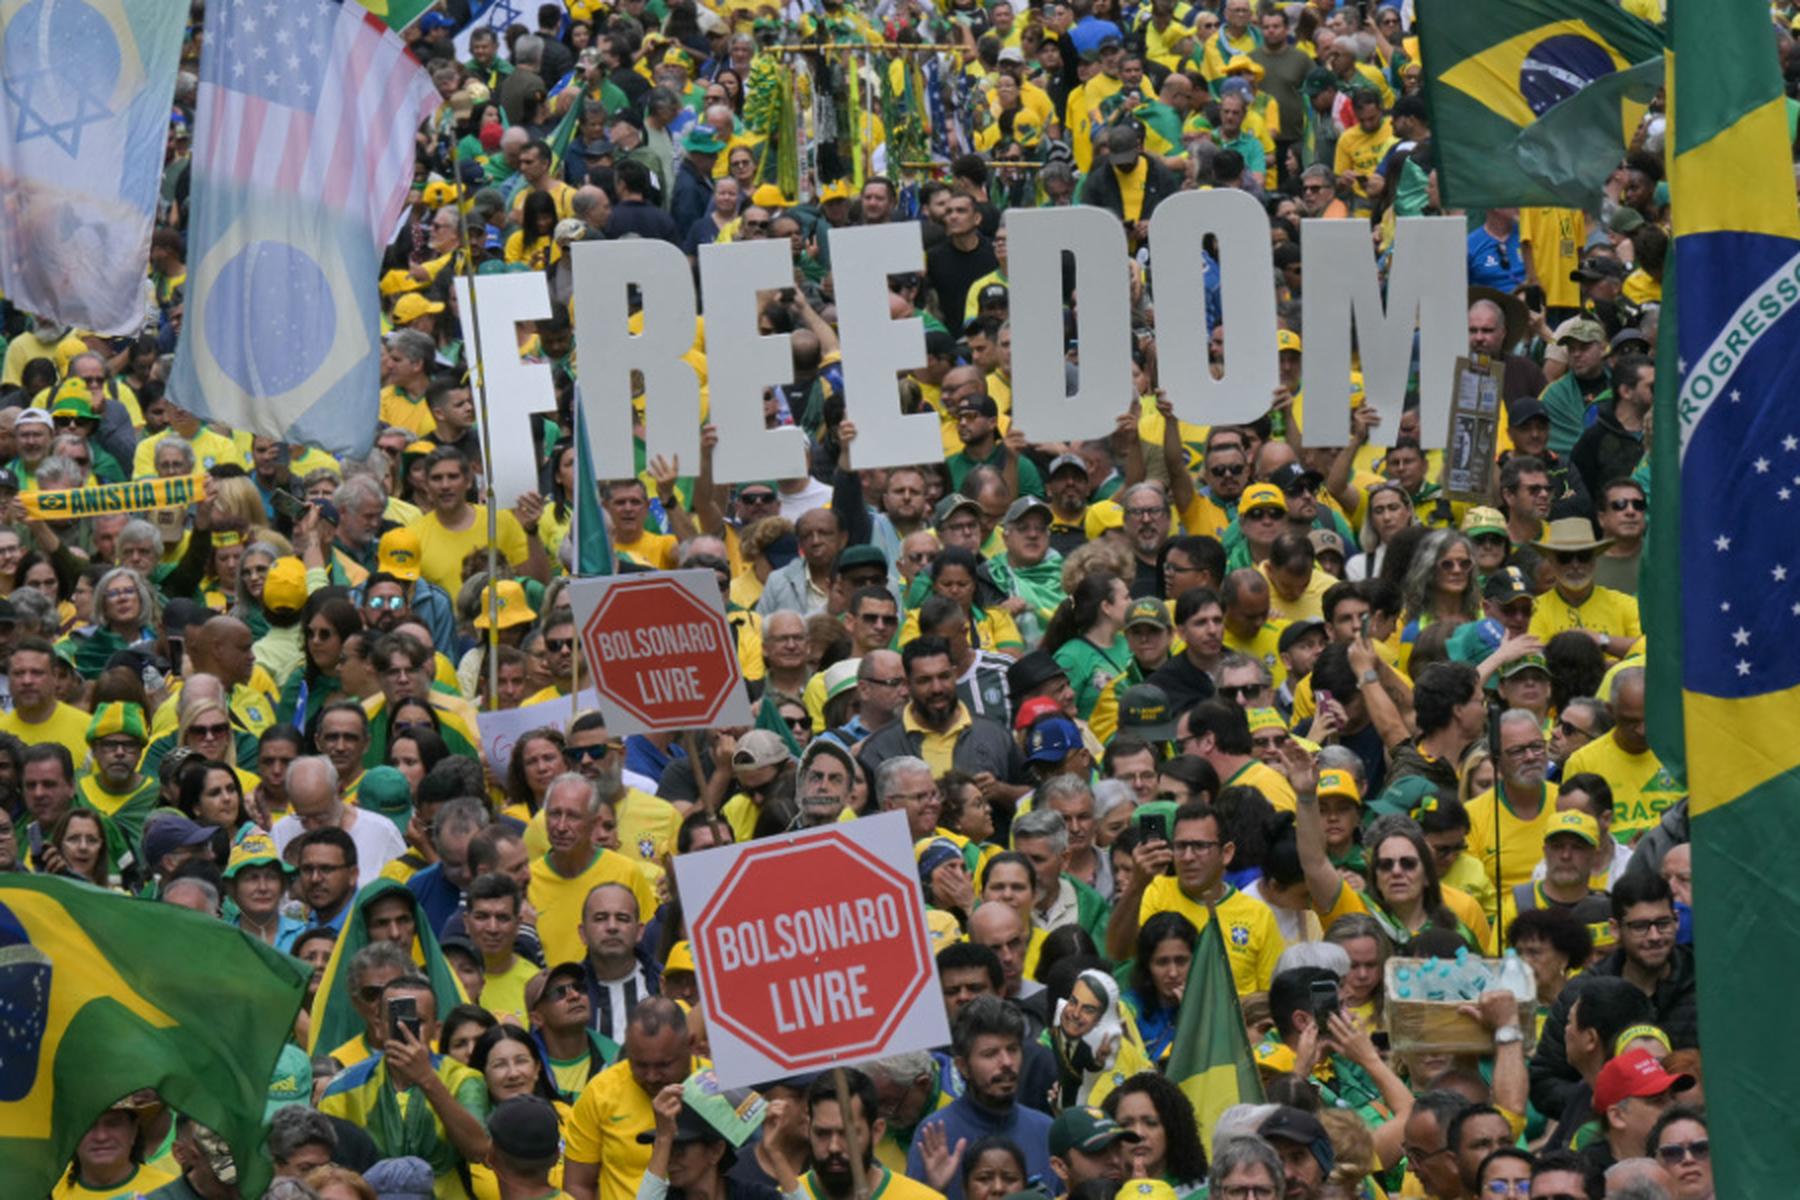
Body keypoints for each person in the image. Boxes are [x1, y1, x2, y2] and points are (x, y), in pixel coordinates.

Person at [317, 972, 494, 1196]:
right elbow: (327, 1173)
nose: (404, 1029)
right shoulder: (342, 1089)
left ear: (435, 1029)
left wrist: (427, 1079)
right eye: (396, 1020)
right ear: (379, 1026)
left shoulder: (463, 1079)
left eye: (416, 1022)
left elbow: (479, 1150)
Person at [1106, 800, 1281, 996]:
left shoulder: (1258, 915)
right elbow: (1118, 952)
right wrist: (1137, 884)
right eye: (1180, 846)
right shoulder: (1153, 891)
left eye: (1200, 846)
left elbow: (1269, 998)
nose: (1188, 857)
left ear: (1226, 853)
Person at [907, 997, 1053, 1200]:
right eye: (990, 1053)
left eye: (1012, 1049)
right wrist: (934, 1191)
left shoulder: (1045, 1130)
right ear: (963, 1067)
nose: (1006, 1062)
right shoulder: (935, 1134)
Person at [565, 997, 695, 1200]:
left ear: (690, 1045)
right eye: (640, 1065)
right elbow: (577, 1184)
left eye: (663, 1065)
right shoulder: (600, 1092)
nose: (651, 1077)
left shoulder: (719, 1086)